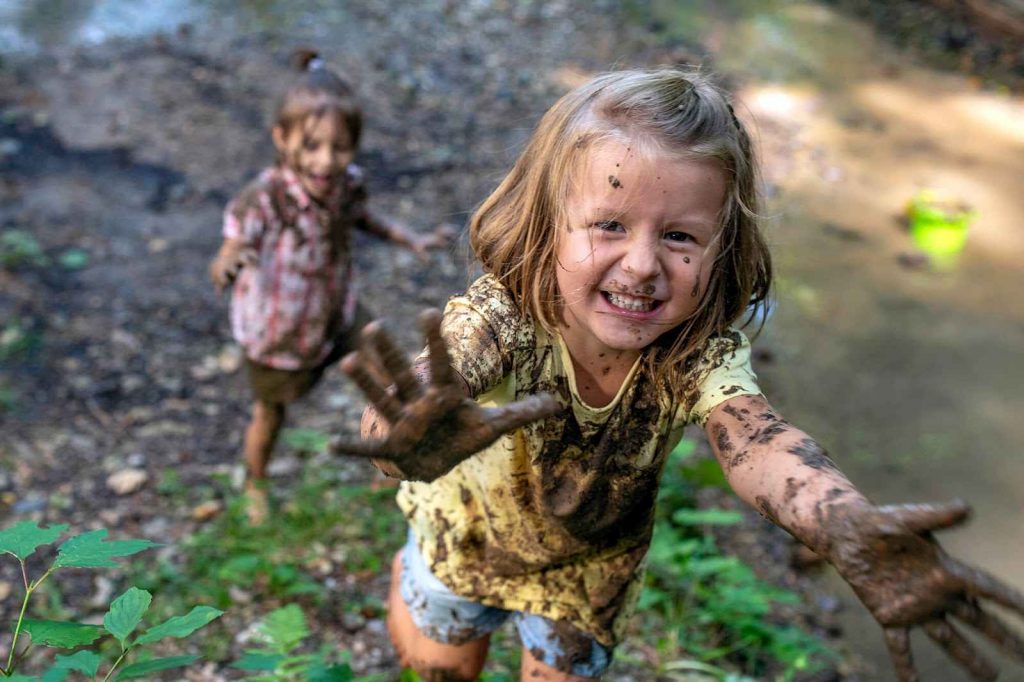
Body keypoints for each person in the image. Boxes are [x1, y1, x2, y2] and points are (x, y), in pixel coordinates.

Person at [330, 68, 1024, 681]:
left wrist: (839, 522)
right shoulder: (505, 315)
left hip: (589, 572)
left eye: (679, 236)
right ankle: (410, 582)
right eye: (608, 224)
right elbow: (414, 400)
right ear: (547, 230)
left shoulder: (691, 352)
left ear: (722, 251)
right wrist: (403, 435)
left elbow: (759, 443)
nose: (641, 265)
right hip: (463, 535)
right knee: (436, 669)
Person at [210, 51, 447, 525]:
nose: (326, 161)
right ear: (281, 138)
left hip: (337, 310)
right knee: (271, 412)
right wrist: (228, 263)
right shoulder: (266, 198)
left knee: (388, 374)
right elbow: (230, 246)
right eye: (312, 146)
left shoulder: (346, 183)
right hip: (279, 332)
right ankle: (256, 481)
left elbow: (361, 217)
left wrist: (409, 237)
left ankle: (392, 456)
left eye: (340, 148)